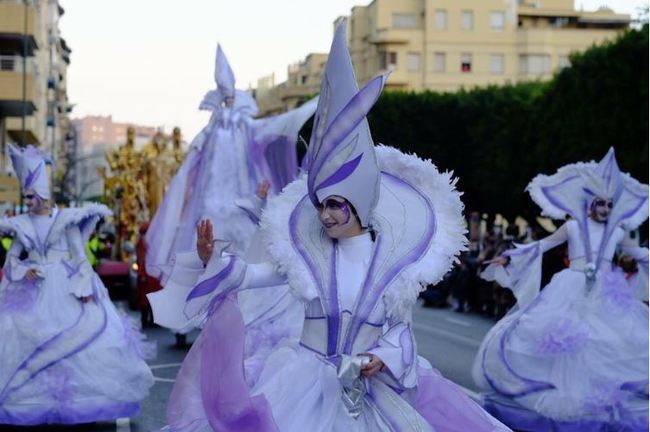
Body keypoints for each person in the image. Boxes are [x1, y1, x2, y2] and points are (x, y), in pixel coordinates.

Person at [149, 22, 509, 432]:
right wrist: (212, 258)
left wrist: (383, 358)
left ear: (358, 205)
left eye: (336, 205)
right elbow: (254, 275)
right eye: (321, 205)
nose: (326, 215)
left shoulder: (391, 262)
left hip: (370, 394)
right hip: (303, 384)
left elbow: (401, 330)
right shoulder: (308, 252)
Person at [474, 148, 649, 431]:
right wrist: (508, 257)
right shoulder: (572, 227)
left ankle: (591, 408)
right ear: (589, 203)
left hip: (607, 293)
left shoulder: (617, 231)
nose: (605, 209)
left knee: (600, 349)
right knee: (566, 347)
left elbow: (639, 253)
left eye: (609, 204)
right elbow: (542, 246)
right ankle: (563, 409)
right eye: (600, 203)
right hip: (570, 289)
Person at [0, 144, 154, 425]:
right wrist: (25, 271)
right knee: (24, 337)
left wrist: (84, 288)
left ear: (44, 193)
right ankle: (33, 403)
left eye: (32, 194)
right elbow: (10, 263)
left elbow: (81, 258)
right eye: (27, 195)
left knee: (82, 340)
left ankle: (80, 403)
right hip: (31, 291)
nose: (29, 200)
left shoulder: (67, 219)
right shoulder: (20, 224)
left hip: (66, 287)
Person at [145, 45, 318, 279]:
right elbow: (195, 160)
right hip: (214, 197)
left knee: (250, 245)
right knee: (213, 248)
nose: (227, 100)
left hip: (241, 193)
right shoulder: (212, 128)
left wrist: (299, 115)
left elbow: (263, 130)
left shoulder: (243, 123)